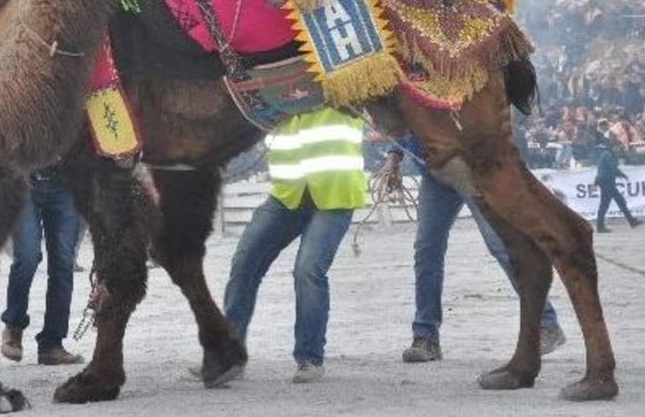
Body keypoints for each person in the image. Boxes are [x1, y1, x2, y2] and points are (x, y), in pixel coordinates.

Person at [388, 137, 566, 363]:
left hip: (469, 168)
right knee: (426, 250)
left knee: (500, 245)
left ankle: (546, 323)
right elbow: (406, 117)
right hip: (435, 174)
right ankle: (425, 337)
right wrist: (395, 153)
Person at [223, 107, 366, 384]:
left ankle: (309, 358)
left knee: (308, 271)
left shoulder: (339, 80)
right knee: (244, 263)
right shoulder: (272, 89)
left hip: (335, 195)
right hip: (287, 195)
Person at [0, 165, 84, 366]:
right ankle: (13, 326)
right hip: (24, 180)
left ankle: (52, 344)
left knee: (63, 263)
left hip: (66, 182)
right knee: (27, 256)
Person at [594, 135, 641, 232]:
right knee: (617, 201)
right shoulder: (608, 155)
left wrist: (621, 175)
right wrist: (623, 175)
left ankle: (601, 226)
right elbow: (613, 169)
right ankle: (631, 221)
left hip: (605, 181)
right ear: (613, 147)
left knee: (608, 203)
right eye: (618, 147)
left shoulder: (608, 154)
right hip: (605, 181)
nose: (619, 149)